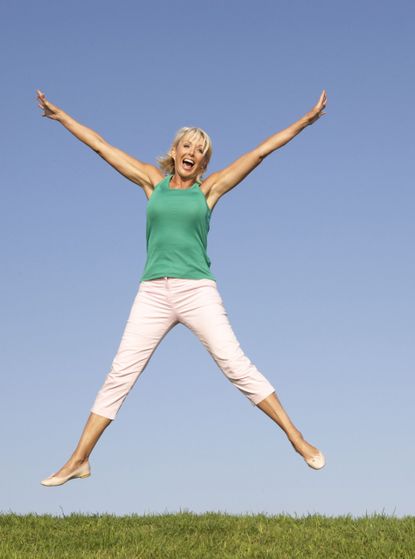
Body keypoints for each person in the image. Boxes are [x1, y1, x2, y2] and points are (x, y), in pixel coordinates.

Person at [37, 88, 327, 486]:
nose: (193, 152)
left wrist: (305, 121)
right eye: (187, 145)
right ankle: (79, 460)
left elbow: (259, 152)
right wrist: (62, 117)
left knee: (235, 364)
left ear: (204, 162)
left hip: (196, 291)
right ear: (174, 151)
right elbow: (102, 147)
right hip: (153, 292)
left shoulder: (209, 191)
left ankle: (297, 439)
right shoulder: (151, 182)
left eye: (201, 150)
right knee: (120, 372)